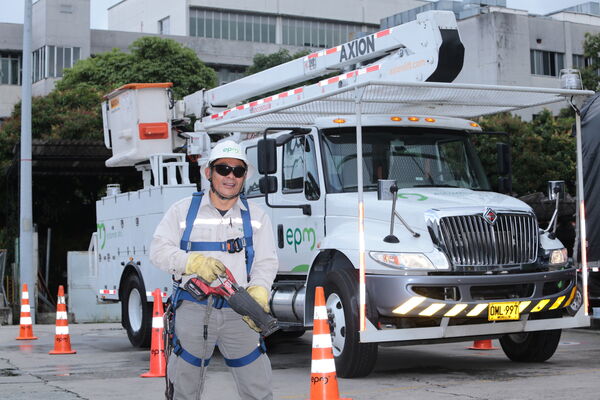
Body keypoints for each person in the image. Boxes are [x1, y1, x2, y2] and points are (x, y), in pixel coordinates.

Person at [150, 140, 278, 400]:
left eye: (238, 171)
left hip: (241, 312)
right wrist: (192, 263)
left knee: (258, 388)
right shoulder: (182, 211)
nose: (230, 176)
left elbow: (266, 262)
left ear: (245, 177)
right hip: (193, 309)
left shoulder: (257, 216)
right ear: (209, 173)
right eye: (223, 169)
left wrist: (260, 290)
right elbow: (158, 252)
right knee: (185, 388)